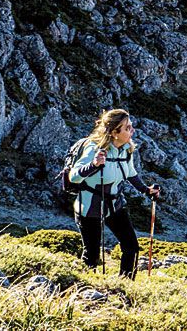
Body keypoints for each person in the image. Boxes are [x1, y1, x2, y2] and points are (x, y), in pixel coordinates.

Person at [69, 108, 161, 278]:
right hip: (89, 207)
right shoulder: (93, 148)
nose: (132, 130)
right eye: (127, 128)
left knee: (131, 247)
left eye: (131, 126)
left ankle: (124, 286)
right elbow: (73, 176)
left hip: (115, 205)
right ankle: (86, 291)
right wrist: (94, 165)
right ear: (114, 132)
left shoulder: (126, 149)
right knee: (92, 255)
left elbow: (131, 172)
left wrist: (146, 190)